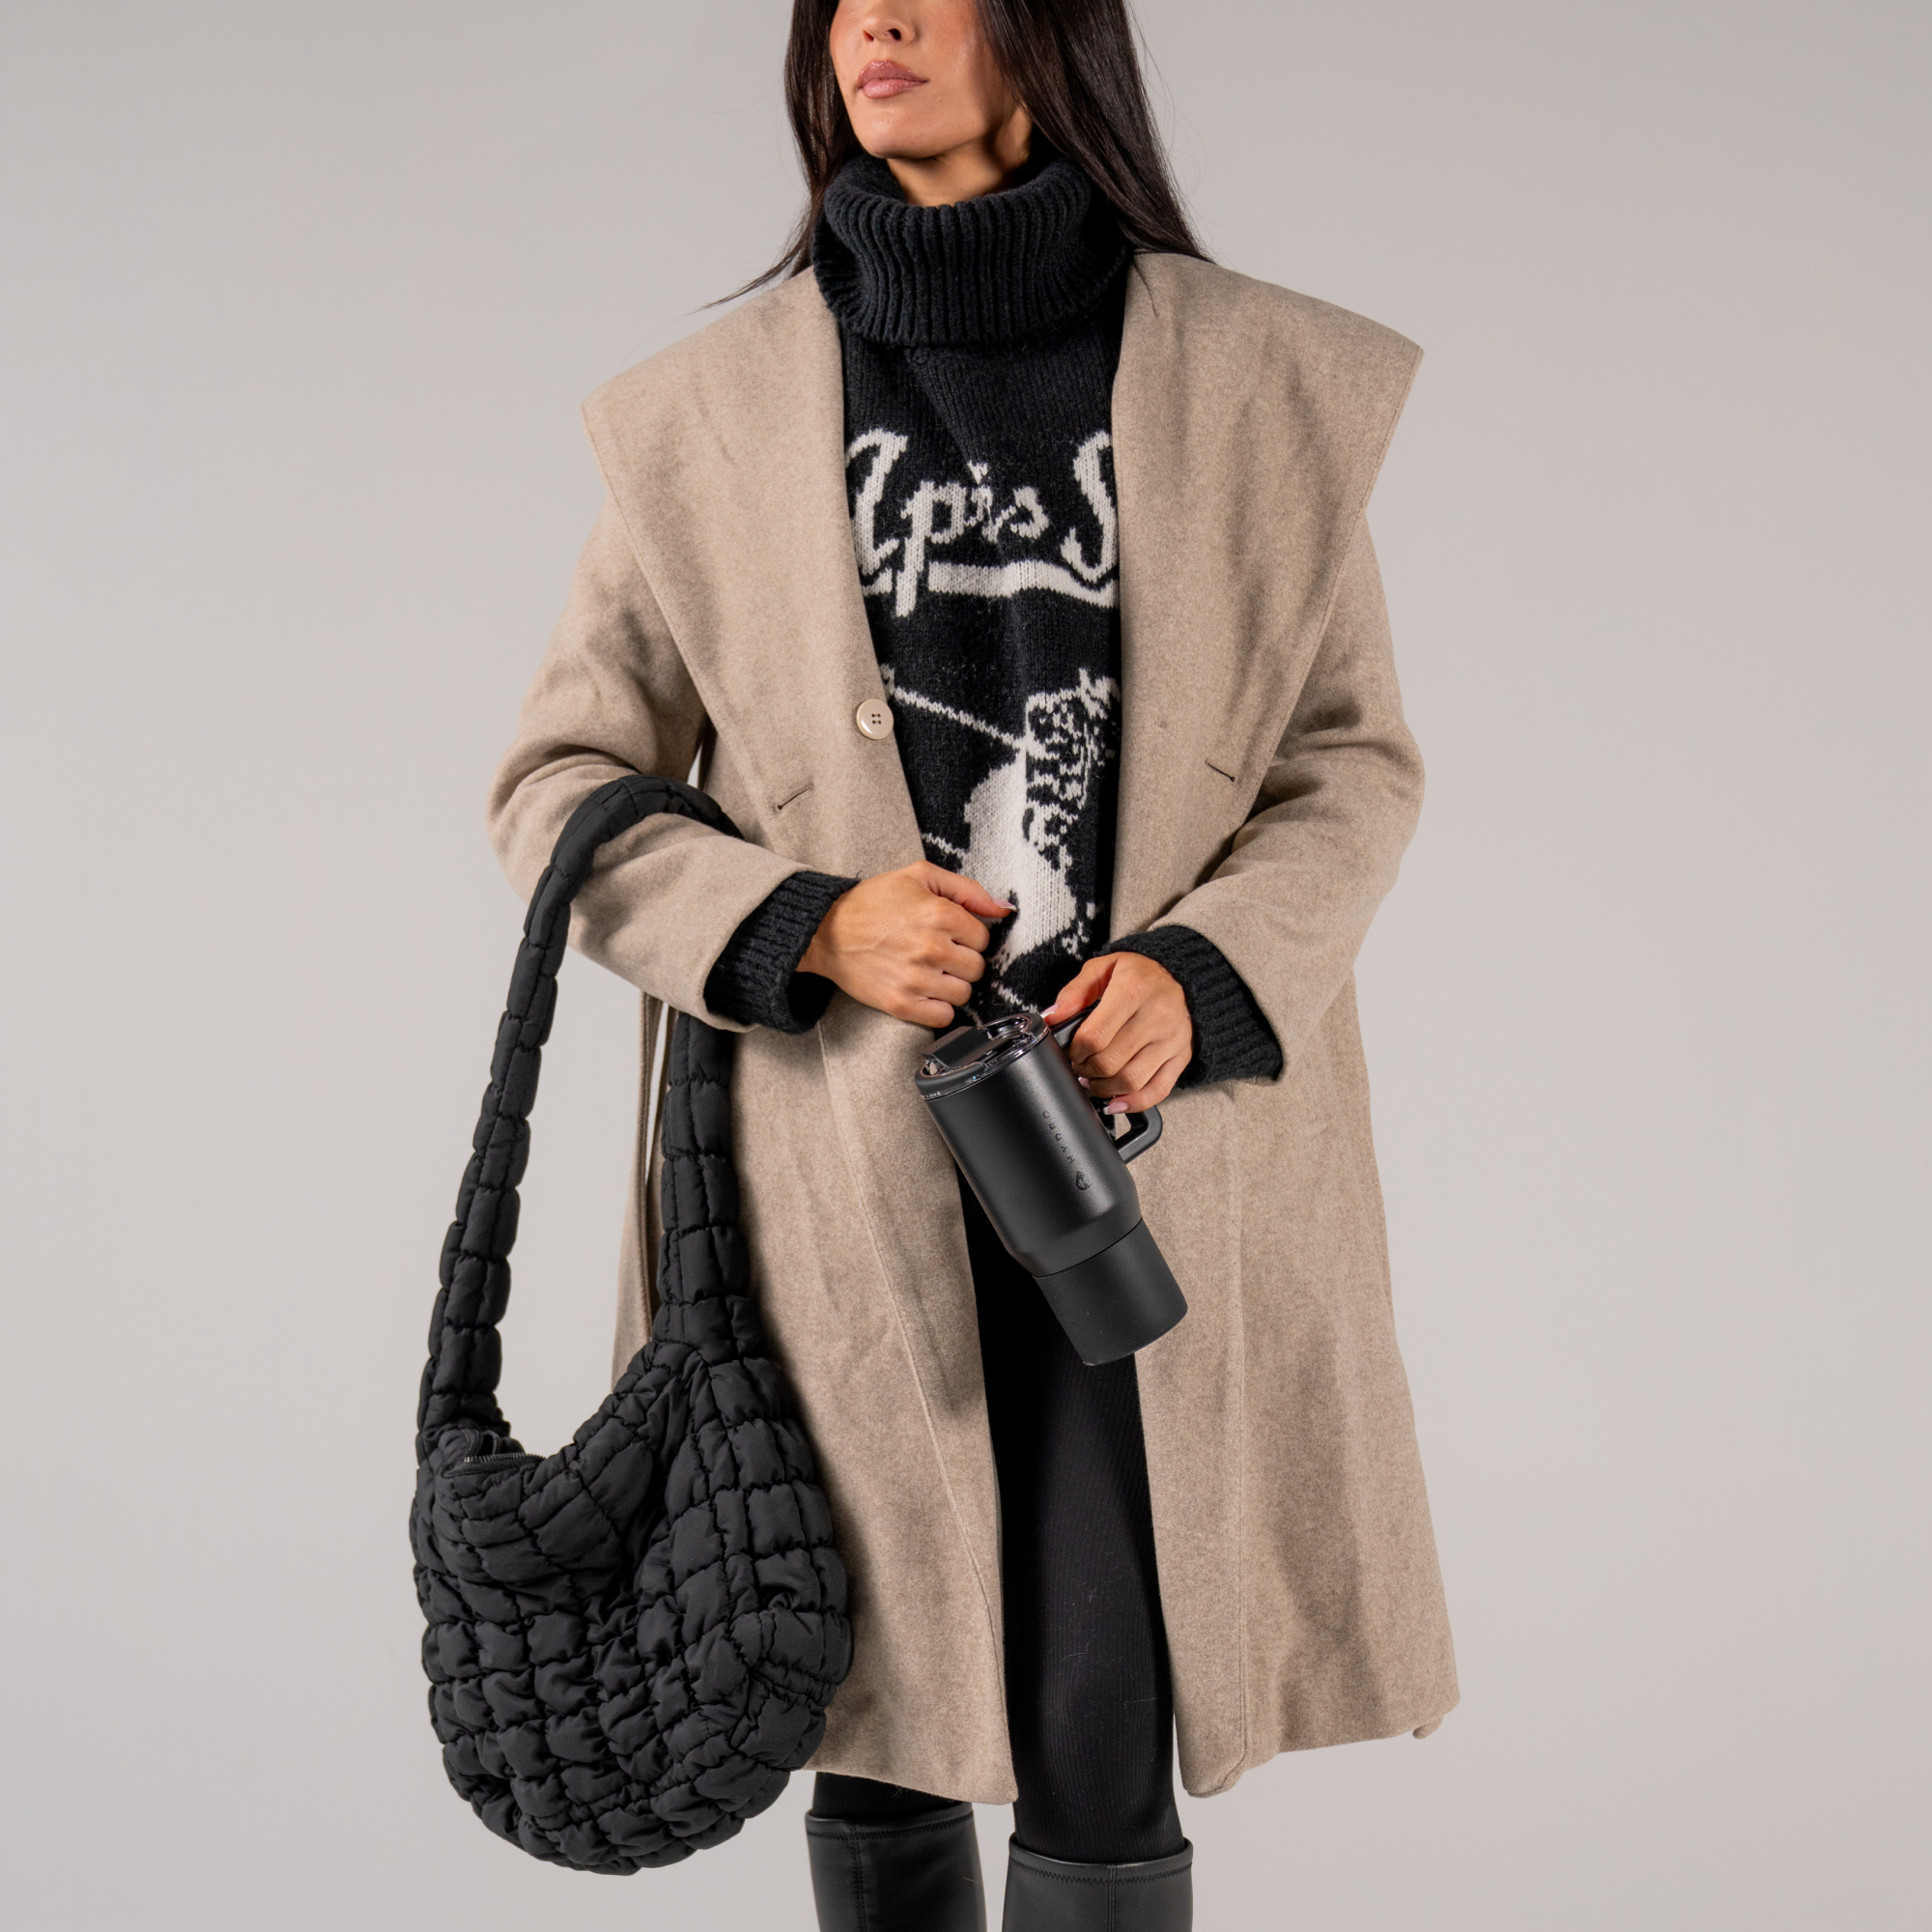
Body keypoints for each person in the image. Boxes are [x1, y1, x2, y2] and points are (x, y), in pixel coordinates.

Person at [488, 2, 1458, 1925]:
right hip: (833, 1180)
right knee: (873, 1698)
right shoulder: (697, 422)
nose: (878, 19)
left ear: (1049, 30)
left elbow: (1348, 762)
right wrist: (805, 921)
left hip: (1135, 1160)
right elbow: (559, 785)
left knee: (1104, 1698)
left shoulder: (1258, 386)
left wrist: (1200, 973)